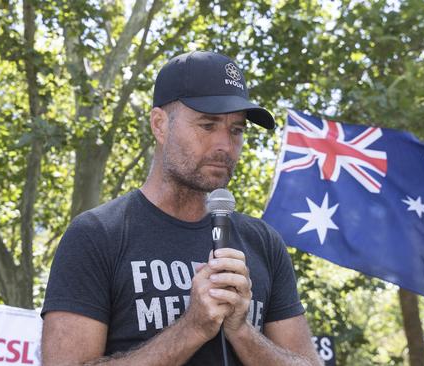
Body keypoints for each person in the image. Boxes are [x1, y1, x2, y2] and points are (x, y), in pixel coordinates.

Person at [41, 51, 321, 366]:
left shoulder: (263, 242)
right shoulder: (97, 235)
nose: (225, 146)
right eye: (207, 124)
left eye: (236, 130)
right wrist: (193, 328)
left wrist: (242, 332)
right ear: (160, 125)